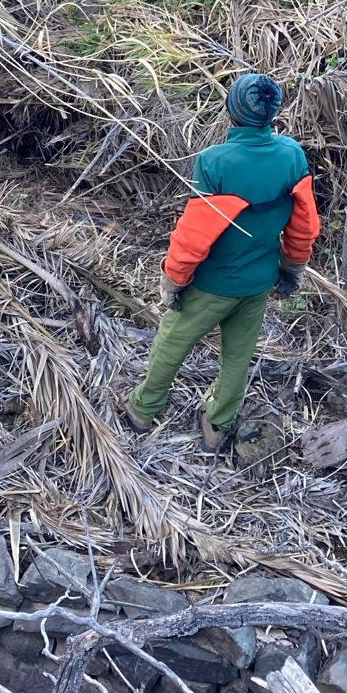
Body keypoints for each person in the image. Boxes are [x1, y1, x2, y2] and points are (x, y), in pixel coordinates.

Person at [126, 72, 320, 452]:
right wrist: (291, 269)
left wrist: (173, 280)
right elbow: (304, 225)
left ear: (231, 111)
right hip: (258, 281)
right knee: (238, 355)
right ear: (272, 113)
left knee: (171, 343)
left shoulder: (215, 161)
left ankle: (142, 410)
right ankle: (218, 425)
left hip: (212, 284)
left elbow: (194, 235)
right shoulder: (292, 155)